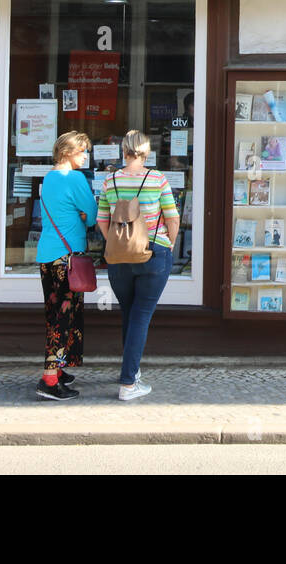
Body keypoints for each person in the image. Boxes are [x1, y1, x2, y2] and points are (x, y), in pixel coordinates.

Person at [98, 130, 180, 401]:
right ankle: (128, 383)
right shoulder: (157, 179)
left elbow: (101, 220)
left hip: (119, 257)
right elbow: (172, 218)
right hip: (152, 252)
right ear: (147, 152)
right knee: (141, 314)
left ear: (124, 151)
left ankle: (131, 370)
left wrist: (116, 242)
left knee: (129, 313)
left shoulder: (110, 180)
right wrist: (169, 243)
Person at [35, 131, 97, 401]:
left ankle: (58, 370)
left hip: (47, 255)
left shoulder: (48, 178)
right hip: (68, 257)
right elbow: (93, 214)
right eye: (83, 151)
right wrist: (81, 215)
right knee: (64, 317)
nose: (86, 156)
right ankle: (49, 378)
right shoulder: (75, 178)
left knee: (54, 315)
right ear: (69, 152)